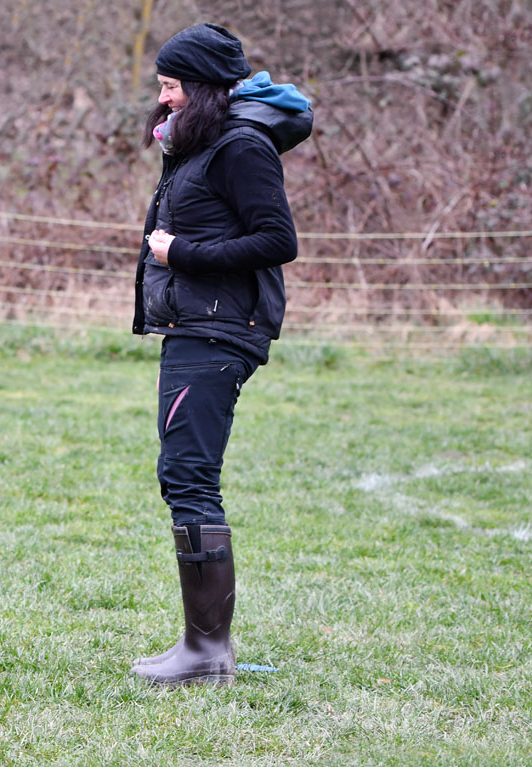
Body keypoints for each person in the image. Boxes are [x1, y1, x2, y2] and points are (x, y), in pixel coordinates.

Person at [129, 23, 313, 687]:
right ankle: (204, 646)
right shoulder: (203, 142)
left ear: (205, 87)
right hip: (193, 327)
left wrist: (181, 253)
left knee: (188, 476)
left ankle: (207, 651)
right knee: (183, 473)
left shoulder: (241, 146)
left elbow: (277, 239)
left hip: (218, 331)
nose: (163, 96)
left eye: (172, 85)